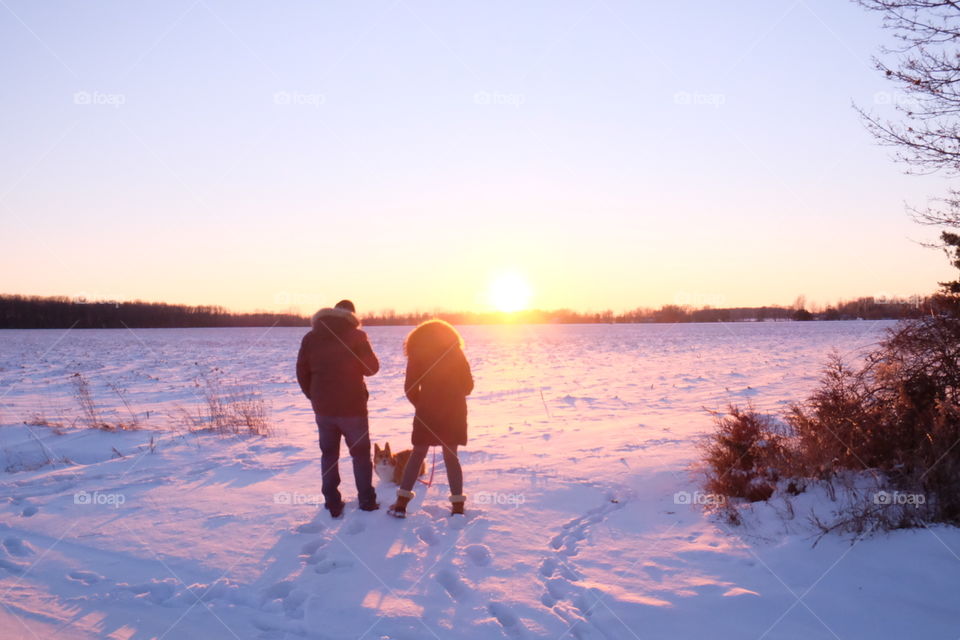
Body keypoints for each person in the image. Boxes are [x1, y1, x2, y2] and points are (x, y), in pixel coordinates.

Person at [296, 299, 380, 518]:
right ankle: (366, 500)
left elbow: (301, 372)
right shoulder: (357, 336)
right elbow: (371, 368)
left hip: (323, 408)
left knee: (329, 453)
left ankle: (331, 500)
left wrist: (314, 396)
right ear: (352, 316)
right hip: (353, 407)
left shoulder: (311, 337)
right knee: (361, 455)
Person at [388, 319, 473, 518]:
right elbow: (468, 386)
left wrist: (423, 405)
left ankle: (401, 504)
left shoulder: (417, 354)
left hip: (427, 411)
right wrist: (452, 398)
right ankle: (458, 507)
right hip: (454, 411)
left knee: (417, 454)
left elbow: (410, 387)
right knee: (451, 457)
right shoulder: (456, 352)